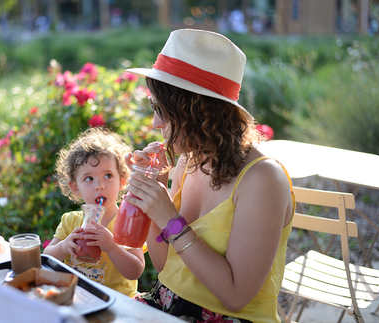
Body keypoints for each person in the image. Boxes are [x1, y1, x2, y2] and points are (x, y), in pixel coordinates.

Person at [123, 29, 295, 322]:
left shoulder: (263, 179)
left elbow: (236, 296)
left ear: (198, 111)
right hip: (168, 307)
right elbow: (166, 267)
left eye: (161, 110)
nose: (154, 123)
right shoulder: (190, 161)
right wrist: (155, 191)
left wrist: (169, 218)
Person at [43, 127, 145, 297]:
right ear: (75, 187)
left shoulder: (127, 223)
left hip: (117, 303)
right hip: (78, 297)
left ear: (122, 181)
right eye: (89, 178)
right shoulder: (70, 222)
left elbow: (135, 271)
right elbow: (47, 258)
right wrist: (64, 245)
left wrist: (111, 246)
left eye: (108, 176)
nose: (100, 185)